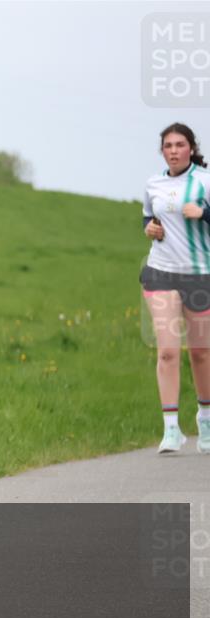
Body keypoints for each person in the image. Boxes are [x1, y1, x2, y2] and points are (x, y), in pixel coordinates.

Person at [140, 122, 210, 454]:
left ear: (191, 148)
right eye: (168, 145)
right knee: (167, 351)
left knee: (200, 353)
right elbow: (148, 218)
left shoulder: (205, 181)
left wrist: (204, 212)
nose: (173, 150)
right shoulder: (153, 183)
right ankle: (171, 429)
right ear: (162, 150)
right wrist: (150, 228)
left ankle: (206, 418)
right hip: (161, 272)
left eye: (180, 144)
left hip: (200, 274)